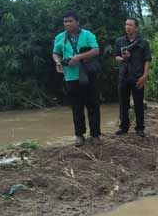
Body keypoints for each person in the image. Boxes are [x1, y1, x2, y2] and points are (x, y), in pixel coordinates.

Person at [52, 11, 102, 147]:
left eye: (70, 21)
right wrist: (58, 62)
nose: (67, 24)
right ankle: (79, 135)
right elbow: (55, 53)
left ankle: (95, 135)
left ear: (77, 22)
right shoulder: (60, 37)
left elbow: (96, 50)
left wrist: (78, 57)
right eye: (65, 21)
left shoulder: (87, 35)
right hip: (71, 77)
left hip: (89, 75)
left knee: (93, 105)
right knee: (76, 107)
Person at [114, 18, 151, 137]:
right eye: (126, 24)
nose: (127, 27)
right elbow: (116, 57)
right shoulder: (120, 41)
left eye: (130, 25)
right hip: (123, 76)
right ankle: (124, 127)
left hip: (138, 77)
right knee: (123, 103)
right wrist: (123, 58)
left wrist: (145, 76)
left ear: (136, 27)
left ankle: (140, 128)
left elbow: (147, 60)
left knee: (138, 103)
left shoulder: (143, 43)